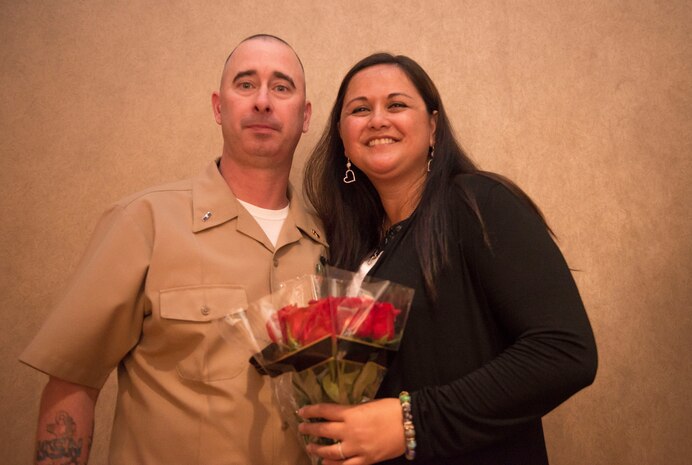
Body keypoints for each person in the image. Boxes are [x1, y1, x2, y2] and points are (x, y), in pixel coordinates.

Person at [20, 34, 326, 465]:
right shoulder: (144, 222)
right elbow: (74, 384)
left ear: (305, 115)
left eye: (281, 87)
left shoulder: (327, 244)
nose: (262, 100)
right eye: (245, 84)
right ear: (219, 107)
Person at [299, 53, 598, 465]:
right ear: (343, 137)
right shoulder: (355, 251)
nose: (377, 119)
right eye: (360, 109)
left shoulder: (479, 204)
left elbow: (565, 353)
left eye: (397, 104)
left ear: (433, 126)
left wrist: (411, 422)